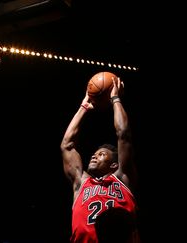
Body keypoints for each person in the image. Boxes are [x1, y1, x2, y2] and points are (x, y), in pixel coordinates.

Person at [60, 76, 140, 243]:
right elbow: (66, 145)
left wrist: (115, 99)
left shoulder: (123, 178)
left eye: (102, 154)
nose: (95, 155)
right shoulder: (81, 183)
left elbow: (123, 135)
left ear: (114, 164)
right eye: (95, 153)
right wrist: (84, 107)